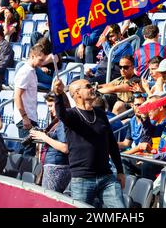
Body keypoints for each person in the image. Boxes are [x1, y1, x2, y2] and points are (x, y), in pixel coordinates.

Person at [53, 78, 126, 208]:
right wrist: (58, 95)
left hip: (106, 177)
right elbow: (61, 114)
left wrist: (120, 171)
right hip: (82, 179)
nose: (92, 87)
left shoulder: (100, 113)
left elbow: (112, 144)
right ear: (77, 94)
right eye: (88, 86)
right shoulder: (71, 115)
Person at [30, 92, 71, 193]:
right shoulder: (58, 121)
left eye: (51, 106)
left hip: (56, 167)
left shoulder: (62, 122)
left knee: (49, 199)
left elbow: (65, 148)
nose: (49, 109)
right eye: (48, 106)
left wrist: (44, 137)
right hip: (54, 166)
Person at [14, 44, 48, 156]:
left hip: (29, 116)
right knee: (27, 151)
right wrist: (25, 118)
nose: (42, 63)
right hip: (26, 118)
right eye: (40, 59)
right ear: (33, 56)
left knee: (26, 150)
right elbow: (17, 96)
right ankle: (15, 173)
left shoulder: (32, 71)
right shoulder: (26, 71)